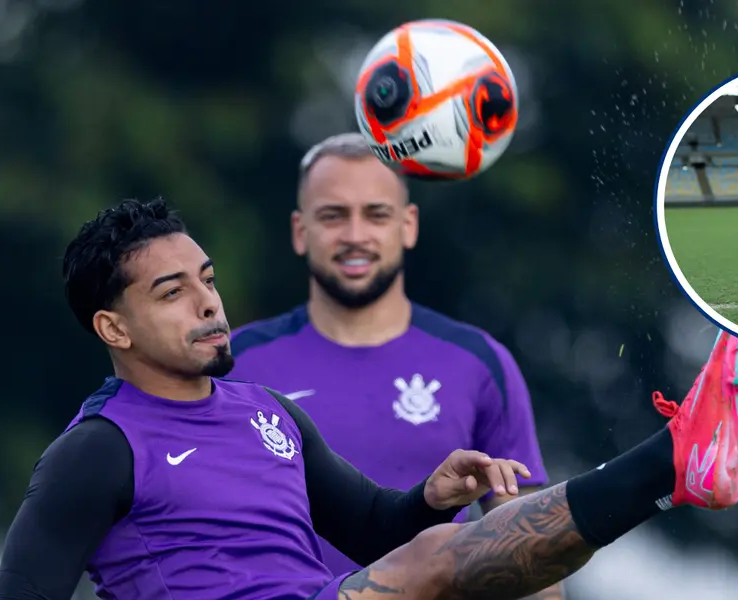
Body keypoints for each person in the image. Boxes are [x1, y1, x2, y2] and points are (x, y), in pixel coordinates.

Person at [0, 198, 738, 600]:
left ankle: (673, 478)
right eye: (172, 293)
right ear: (112, 327)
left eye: (209, 279)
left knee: (449, 558)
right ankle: (672, 459)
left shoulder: (267, 413)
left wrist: (428, 498)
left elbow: (371, 533)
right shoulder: (97, 450)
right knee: (436, 566)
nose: (207, 304)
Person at [226, 133, 558, 597]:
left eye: (375, 214)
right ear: (301, 231)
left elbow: (528, 548)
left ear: (408, 225)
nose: (355, 235)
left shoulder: (479, 363)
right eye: (333, 215)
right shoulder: (237, 363)